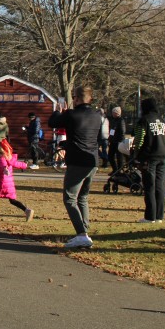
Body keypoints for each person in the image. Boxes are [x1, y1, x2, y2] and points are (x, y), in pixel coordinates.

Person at [49, 85, 103, 249]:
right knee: (83, 197)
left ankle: (81, 234)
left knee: (70, 198)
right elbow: (89, 135)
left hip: (77, 161)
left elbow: (52, 122)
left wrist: (59, 111)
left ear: (76, 99)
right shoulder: (97, 115)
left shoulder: (71, 114)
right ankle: (84, 230)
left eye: (73, 97)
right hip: (92, 160)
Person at [132, 98, 165, 224]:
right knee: (159, 186)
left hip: (149, 156)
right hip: (162, 155)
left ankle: (149, 216)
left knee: (149, 186)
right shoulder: (162, 120)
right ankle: (159, 216)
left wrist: (135, 152)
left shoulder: (144, 120)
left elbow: (139, 139)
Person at [0, 139, 34, 222]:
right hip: (9, 184)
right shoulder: (9, 157)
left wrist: (5, 169)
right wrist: (24, 165)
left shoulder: (0, 158)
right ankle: (27, 210)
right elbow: (17, 164)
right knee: (12, 200)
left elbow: (3, 165)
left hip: (0, 183)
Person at [107, 106, 127, 174]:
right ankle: (115, 169)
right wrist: (110, 138)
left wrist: (120, 141)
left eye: (113, 112)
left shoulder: (121, 120)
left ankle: (119, 171)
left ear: (117, 113)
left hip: (118, 142)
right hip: (113, 141)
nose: (112, 114)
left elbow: (122, 132)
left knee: (119, 157)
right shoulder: (114, 120)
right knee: (110, 156)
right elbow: (112, 130)